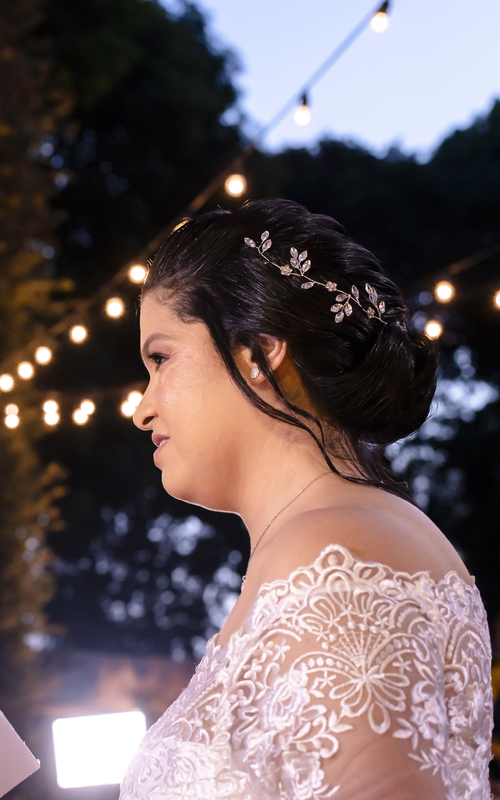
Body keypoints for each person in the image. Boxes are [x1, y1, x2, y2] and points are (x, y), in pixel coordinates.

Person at [120, 199, 492, 799]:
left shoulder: (332, 555)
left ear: (259, 355)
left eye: (160, 359)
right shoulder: (344, 539)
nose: (143, 408)